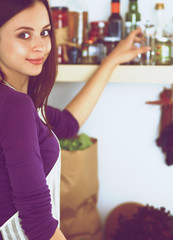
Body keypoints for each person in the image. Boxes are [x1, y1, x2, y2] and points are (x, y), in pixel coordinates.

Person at [0, 0, 150, 239]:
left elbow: (68, 125)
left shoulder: (20, 102)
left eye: (45, 32)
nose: (40, 46)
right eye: (24, 35)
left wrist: (111, 60)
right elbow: (39, 224)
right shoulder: (14, 105)